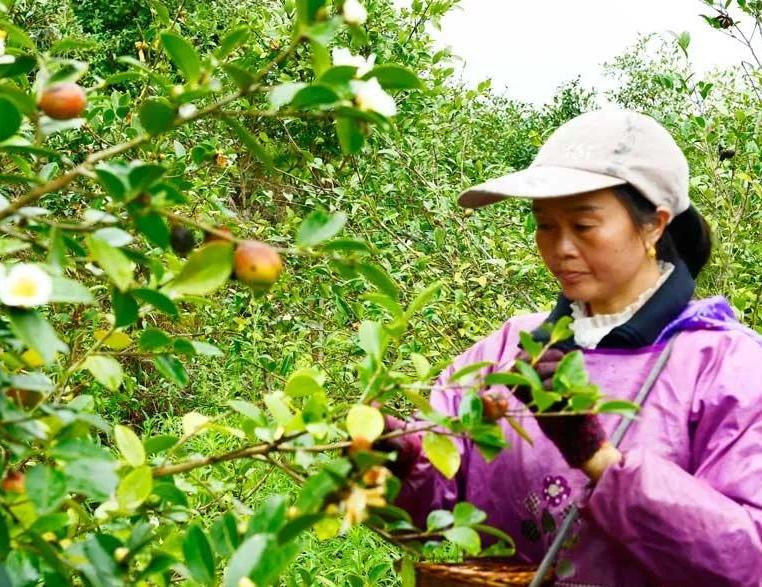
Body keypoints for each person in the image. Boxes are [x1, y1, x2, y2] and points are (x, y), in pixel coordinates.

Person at [385, 110, 762, 587]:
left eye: (583, 226)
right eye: (545, 225)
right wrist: (402, 462)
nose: (559, 248)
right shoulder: (506, 350)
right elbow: (439, 509)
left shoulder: (728, 367)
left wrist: (598, 458)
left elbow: (747, 558)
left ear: (654, 226)